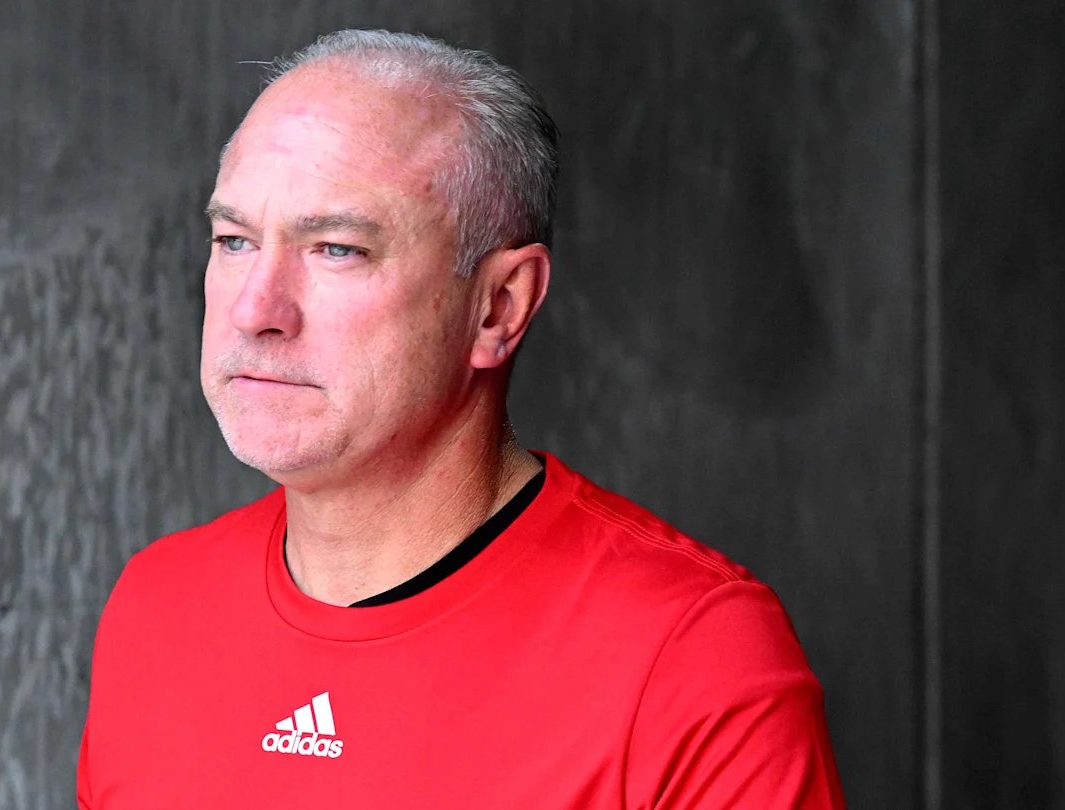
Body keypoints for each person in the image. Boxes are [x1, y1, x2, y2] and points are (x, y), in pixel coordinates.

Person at [77, 29, 845, 809]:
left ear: (498, 307)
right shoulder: (157, 609)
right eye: (234, 240)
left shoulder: (691, 658)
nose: (255, 310)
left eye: (337, 249)